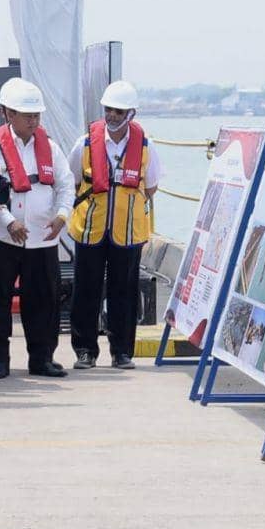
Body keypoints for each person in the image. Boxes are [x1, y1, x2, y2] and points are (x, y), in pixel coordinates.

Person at [0, 78, 75, 379]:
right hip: (3, 237)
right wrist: (9, 221)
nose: (33, 120)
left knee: (44, 300)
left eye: (36, 115)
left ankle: (42, 358)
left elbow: (66, 185)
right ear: (8, 113)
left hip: (42, 238)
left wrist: (62, 216)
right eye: (27, 115)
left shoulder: (51, 147)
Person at [68, 81, 160, 369]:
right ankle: (85, 350)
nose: (112, 115)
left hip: (128, 231)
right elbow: (73, 180)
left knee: (124, 291)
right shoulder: (84, 143)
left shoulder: (146, 147)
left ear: (131, 114)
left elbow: (151, 186)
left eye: (119, 111)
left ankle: (122, 351)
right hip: (90, 228)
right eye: (109, 109)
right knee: (86, 289)